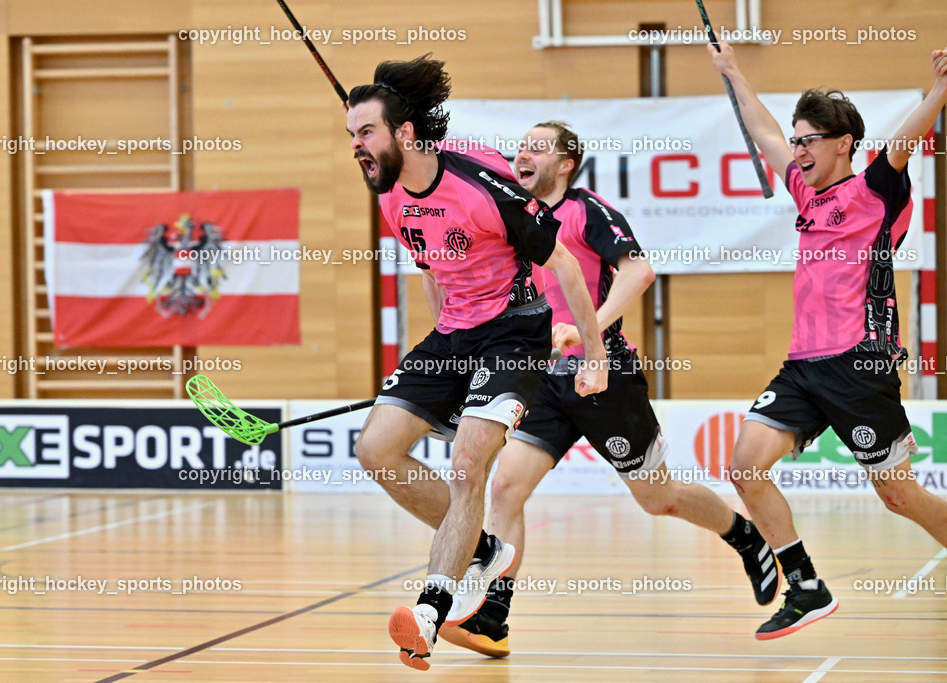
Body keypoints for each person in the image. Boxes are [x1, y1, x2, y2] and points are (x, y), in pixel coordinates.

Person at [439, 122, 781, 658]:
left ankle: (743, 534)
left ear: (566, 165)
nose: (523, 155)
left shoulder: (584, 210)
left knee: (658, 498)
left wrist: (588, 327)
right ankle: (494, 619)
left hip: (605, 376)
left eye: (538, 148)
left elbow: (639, 272)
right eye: (521, 147)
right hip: (543, 380)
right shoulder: (512, 216)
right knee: (505, 488)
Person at [345, 55, 611, 670]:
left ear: (404, 133)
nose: (357, 147)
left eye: (367, 133)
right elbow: (435, 272)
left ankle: (432, 611)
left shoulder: (478, 188)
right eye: (352, 136)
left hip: (515, 334)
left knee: (469, 465)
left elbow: (564, 267)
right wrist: (440, 356)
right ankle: (487, 549)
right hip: (452, 337)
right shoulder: (389, 200)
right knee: (375, 450)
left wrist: (594, 355)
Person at [708, 40, 947, 640]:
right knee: (743, 467)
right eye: (797, 139)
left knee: (898, 496)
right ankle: (807, 586)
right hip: (803, 367)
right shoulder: (805, 192)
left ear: (842, 143)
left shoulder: (874, 191)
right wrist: (734, 71)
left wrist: (942, 91)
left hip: (858, 365)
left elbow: (900, 144)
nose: (797, 149)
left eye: (809, 138)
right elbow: (762, 131)